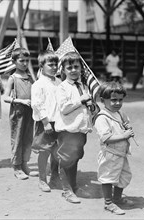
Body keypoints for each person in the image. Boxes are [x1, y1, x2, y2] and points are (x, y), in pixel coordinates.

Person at [53, 52, 93, 203]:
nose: (73, 70)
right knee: (66, 159)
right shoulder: (62, 87)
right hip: (68, 130)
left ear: (81, 68)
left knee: (75, 159)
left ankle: (74, 185)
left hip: (80, 129)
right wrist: (80, 100)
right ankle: (66, 190)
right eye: (69, 67)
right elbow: (64, 108)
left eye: (76, 66)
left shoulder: (82, 85)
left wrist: (90, 104)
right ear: (63, 70)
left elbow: (85, 107)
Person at [93, 82, 135, 215]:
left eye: (120, 100)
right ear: (103, 100)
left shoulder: (120, 113)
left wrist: (128, 128)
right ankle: (108, 203)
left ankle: (117, 198)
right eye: (113, 100)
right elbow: (105, 138)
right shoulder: (102, 118)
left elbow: (125, 124)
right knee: (108, 177)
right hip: (110, 154)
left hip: (121, 153)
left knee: (123, 176)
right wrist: (124, 135)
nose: (117, 103)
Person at [3, 47, 38, 180]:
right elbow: (5, 97)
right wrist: (20, 101)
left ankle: (25, 165)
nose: (24, 63)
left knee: (28, 139)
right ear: (14, 61)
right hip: (18, 113)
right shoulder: (12, 78)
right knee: (17, 139)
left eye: (26, 61)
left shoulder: (29, 77)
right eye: (21, 60)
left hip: (30, 112)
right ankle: (17, 167)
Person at [31, 50, 61, 192]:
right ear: (41, 66)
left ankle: (55, 174)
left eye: (56, 64)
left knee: (57, 151)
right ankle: (42, 180)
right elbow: (37, 104)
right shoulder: (38, 84)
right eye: (50, 64)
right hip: (46, 123)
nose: (54, 67)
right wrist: (45, 122)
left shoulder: (59, 82)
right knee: (45, 151)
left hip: (59, 122)